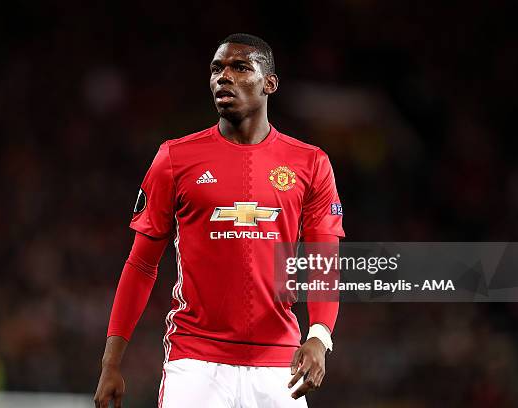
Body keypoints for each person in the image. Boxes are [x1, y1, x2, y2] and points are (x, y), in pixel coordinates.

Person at [94, 33, 344, 408]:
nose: (223, 77)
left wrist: (320, 336)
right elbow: (141, 263)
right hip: (195, 363)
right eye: (216, 69)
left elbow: (323, 262)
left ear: (269, 83)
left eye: (240, 67)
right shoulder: (175, 158)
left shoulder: (311, 164)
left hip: (280, 365)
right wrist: (110, 362)